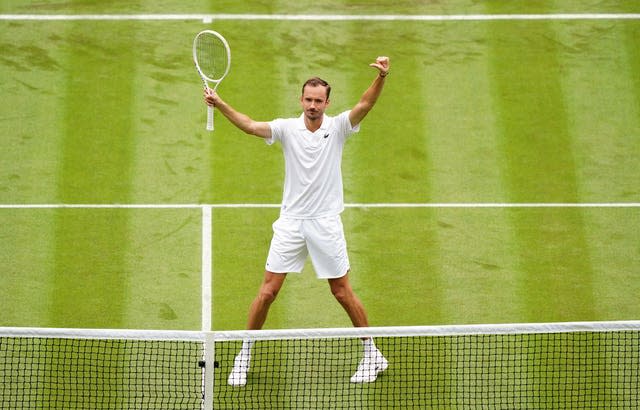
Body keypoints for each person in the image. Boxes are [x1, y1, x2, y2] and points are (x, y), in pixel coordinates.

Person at [204, 56, 390, 387]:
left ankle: (373, 353)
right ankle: (244, 355)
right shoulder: (287, 129)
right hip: (291, 223)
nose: (313, 105)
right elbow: (249, 125)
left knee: (342, 292)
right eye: (308, 99)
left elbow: (365, 104)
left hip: (325, 224)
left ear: (327, 102)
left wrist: (382, 78)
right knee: (267, 292)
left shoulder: (339, 127)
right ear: (300, 99)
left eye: (319, 100)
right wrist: (219, 104)